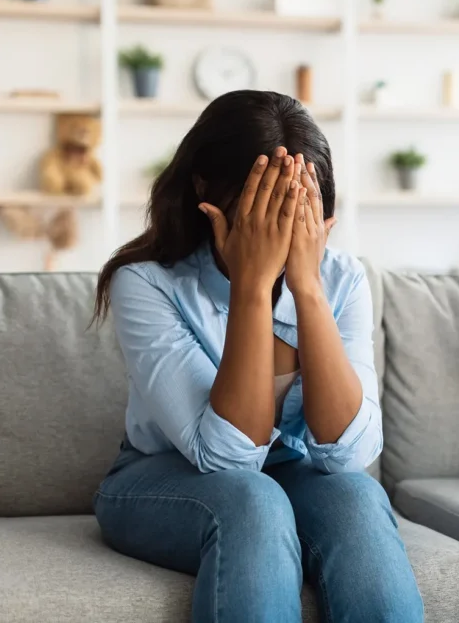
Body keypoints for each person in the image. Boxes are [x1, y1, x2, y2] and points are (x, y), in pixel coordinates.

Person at [91, 91, 424, 623]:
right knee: (252, 500)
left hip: (288, 470)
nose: (282, 228)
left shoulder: (342, 278)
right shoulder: (147, 283)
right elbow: (225, 458)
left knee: (358, 498)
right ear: (205, 187)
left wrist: (308, 289)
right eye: (262, 208)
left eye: (296, 209)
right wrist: (252, 286)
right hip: (160, 476)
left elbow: (346, 452)